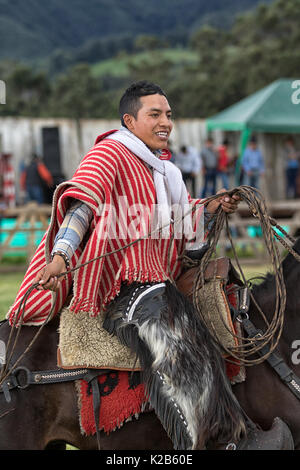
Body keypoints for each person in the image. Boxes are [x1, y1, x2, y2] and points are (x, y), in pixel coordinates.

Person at [8, 81, 291, 450]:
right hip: (120, 288)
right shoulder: (109, 153)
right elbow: (82, 204)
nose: (166, 122)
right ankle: (223, 442)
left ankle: (239, 424)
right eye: (155, 114)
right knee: (178, 327)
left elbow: (184, 219)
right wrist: (62, 254)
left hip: (159, 280)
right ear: (130, 119)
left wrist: (210, 207)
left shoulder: (166, 171)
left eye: (169, 115)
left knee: (219, 311)